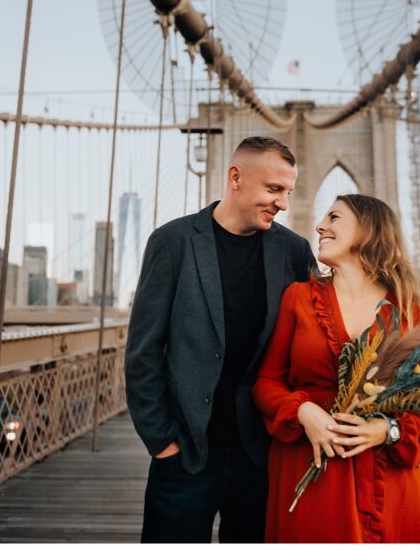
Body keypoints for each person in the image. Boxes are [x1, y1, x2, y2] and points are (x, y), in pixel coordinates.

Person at [125, 136, 317, 543]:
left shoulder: (295, 252)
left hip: (263, 455)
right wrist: (162, 442)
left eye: (288, 192)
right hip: (186, 452)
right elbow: (143, 351)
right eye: (273, 189)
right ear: (235, 177)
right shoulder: (172, 242)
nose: (283, 203)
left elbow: (320, 337)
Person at [252, 194, 420, 543]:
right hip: (309, 463)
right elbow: (267, 382)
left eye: (334, 217)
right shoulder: (298, 298)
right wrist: (302, 411)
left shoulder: (415, 314)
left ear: (369, 231)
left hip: (388, 478)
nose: (320, 226)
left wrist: (387, 430)